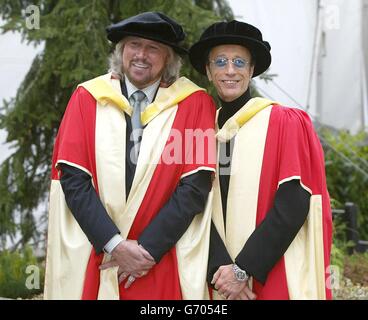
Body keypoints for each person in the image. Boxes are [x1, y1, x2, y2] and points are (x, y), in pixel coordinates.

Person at [44, 11, 217, 300]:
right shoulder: (88, 97)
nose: (141, 55)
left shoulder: (194, 103)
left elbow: (195, 186)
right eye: (134, 45)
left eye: (153, 48)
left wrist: (146, 250)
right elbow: (73, 180)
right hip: (98, 252)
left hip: (160, 257)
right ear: (121, 50)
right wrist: (115, 245)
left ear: (168, 59)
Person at [189, 20, 333, 300]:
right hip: (219, 279)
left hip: (272, 272)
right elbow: (196, 204)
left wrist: (243, 270)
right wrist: (222, 271)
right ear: (208, 70)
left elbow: (293, 203)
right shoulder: (203, 130)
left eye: (239, 62)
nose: (230, 70)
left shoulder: (283, 122)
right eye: (220, 61)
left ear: (251, 70)